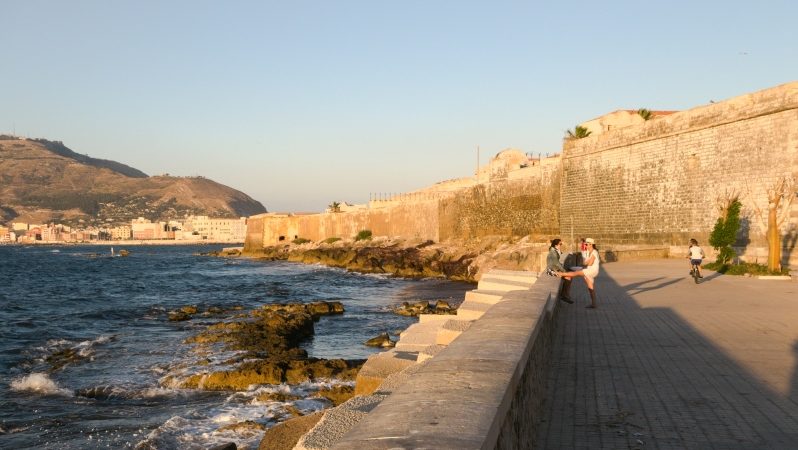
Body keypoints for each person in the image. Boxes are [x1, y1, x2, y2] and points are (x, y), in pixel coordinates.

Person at [555, 237, 600, 309]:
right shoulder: (589, 252)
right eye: (585, 244)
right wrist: (586, 262)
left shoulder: (594, 252)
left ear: (591, 245)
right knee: (590, 288)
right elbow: (585, 260)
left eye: (587, 244)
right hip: (591, 270)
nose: (585, 246)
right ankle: (594, 304)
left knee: (575, 273)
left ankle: (560, 274)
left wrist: (586, 262)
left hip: (592, 270)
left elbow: (590, 263)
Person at [547, 239, 573, 303]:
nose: (561, 245)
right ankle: (564, 295)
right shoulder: (553, 252)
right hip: (552, 271)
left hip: (554, 269)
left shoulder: (554, 250)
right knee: (568, 276)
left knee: (569, 276)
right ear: (556, 245)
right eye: (560, 244)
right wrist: (564, 271)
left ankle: (565, 294)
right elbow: (557, 263)